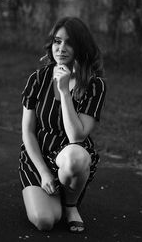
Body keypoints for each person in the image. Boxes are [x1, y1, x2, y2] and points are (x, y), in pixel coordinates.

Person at [19, 16, 106, 233]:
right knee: (45, 220)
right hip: (38, 155)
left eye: (69, 43)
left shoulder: (94, 85)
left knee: (75, 155)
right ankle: (54, 198)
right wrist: (44, 173)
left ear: (81, 47)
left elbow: (76, 137)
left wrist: (65, 91)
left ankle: (70, 205)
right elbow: (28, 132)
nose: (62, 48)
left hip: (70, 159)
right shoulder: (37, 79)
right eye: (57, 41)